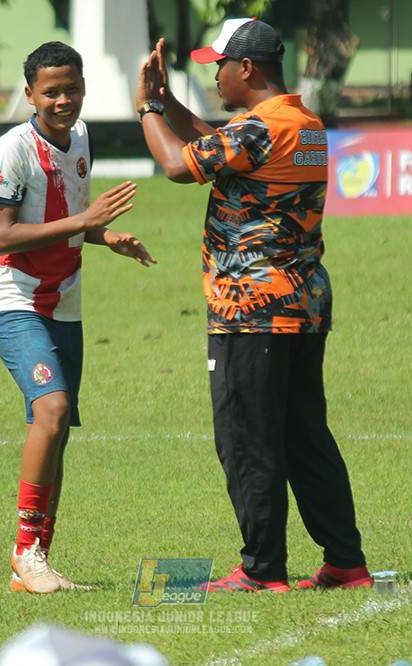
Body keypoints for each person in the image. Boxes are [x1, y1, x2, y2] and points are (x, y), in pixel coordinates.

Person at [135, 19, 370, 593]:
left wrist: (146, 109)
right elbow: (217, 145)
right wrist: (170, 103)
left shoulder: (262, 129)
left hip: (252, 307)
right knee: (302, 435)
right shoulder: (301, 122)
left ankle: (262, 570)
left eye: (219, 64)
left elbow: (176, 165)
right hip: (300, 302)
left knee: (247, 438)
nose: (213, 75)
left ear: (247, 69)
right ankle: (344, 562)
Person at [0, 41, 156, 594]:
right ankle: (23, 552)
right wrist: (87, 219)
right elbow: (2, 235)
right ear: (29, 92)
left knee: (55, 433)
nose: (63, 100)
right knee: (51, 411)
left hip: (66, 303)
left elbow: (71, 223)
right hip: (14, 299)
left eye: (72, 89)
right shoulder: (12, 150)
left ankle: (37, 563)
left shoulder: (81, 138)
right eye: (51, 91)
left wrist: (106, 237)